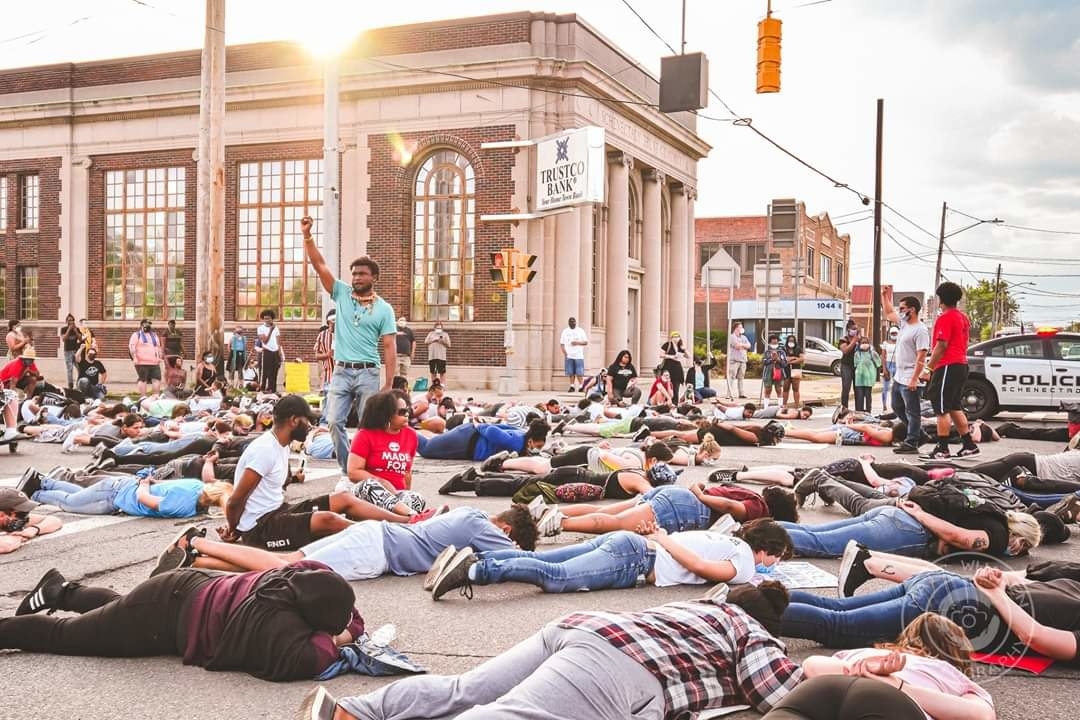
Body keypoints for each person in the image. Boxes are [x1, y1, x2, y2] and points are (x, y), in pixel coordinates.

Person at [310, 582, 803, 719]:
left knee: (465, 689)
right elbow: (775, 692)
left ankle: (353, 713)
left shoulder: (698, 606)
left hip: (582, 630)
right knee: (516, 713)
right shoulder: (747, 627)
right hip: (620, 667)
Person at [4, 561, 364, 681]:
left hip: (183, 590)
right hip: (162, 617)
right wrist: (343, 636)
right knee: (65, 636)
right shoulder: (277, 627)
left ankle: (60, 591)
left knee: (118, 611)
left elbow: (348, 611)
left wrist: (346, 624)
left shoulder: (300, 575)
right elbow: (316, 655)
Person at [787, 548, 1080, 665]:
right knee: (837, 624)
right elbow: (1034, 636)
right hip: (948, 604)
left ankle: (754, 600)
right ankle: (749, 609)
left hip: (943, 588)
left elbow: (1037, 633)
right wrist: (995, 587)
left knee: (835, 610)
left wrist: (993, 583)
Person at [220, 395, 423, 552]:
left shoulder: (281, 444)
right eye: (307, 420)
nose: (310, 426)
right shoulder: (264, 450)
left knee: (343, 498)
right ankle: (391, 535)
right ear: (293, 420)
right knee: (326, 519)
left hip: (278, 511)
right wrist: (234, 528)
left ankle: (407, 521)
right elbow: (235, 500)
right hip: (259, 528)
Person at [429, 518, 793, 599]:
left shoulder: (728, 538)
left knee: (552, 560)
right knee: (557, 577)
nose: (773, 565)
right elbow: (700, 568)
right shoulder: (744, 560)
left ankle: (478, 557)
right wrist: (663, 539)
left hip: (631, 544)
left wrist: (660, 538)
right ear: (768, 550)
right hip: (638, 559)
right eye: (776, 558)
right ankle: (478, 570)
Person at [160, 505, 538, 581]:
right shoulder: (484, 529)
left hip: (373, 537)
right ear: (506, 530)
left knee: (286, 564)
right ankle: (197, 543)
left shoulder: (469, 512)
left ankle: (198, 562)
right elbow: (519, 561)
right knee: (287, 569)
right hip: (376, 551)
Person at [302, 216, 397, 475]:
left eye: (362, 274)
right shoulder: (342, 294)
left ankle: (370, 468)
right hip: (342, 371)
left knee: (369, 426)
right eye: (354, 273)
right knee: (333, 421)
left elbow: (389, 347)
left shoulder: (384, 309)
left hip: (368, 372)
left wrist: (389, 383)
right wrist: (307, 236)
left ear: (373, 278)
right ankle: (348, 470)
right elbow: (319, 265)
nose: (356, 277)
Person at [794, 613, 995, 720]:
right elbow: (980, 715)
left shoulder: (867, 654)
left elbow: (812, 665)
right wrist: (897, 686)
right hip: (891, 703)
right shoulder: (949, 673)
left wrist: (858, 670)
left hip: (827, 695)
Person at [344, 390, 428, 520]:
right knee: (370, 485)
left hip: (396, 495)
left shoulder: (411, 435)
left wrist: (406, 492)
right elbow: (353, 472)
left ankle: (405, 517)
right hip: (368, 494)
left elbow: (406, 473)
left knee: (416, 498)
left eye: (408, 411)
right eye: (401, 412)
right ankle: (412, 516)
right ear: (386, 415)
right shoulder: (365, 435)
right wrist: (380, 482)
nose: (407, 415)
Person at [27, 473, 232, 518]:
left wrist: (147, 482)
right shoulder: (184, 505)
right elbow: (145, 499)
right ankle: (35, 491)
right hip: (118, 493)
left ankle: (46, 483)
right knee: (70, 504)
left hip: (119, 494)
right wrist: (143, 484)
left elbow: (165, 485)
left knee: (80, 495)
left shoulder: (196, 485)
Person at [926, 282, 977, 459]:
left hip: (947, 365)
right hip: (961, 365)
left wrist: (928, 368)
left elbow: (941, 345)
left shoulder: (945, 318)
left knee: (941, 408)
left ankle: (942, 448)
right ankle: (969, 444)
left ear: (941, 299)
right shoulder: (963, 317)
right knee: (954, 406)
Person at [881, 288, 930, 454]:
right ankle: (919, 434)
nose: (899, 311)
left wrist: (915, 378)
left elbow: (921, 356)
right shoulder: (904, 325)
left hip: (911, 376)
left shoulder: (920, 330)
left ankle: (912, 442)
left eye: (902, 308)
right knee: (896, 406)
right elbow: (888, 312)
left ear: (912, 309)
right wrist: (884, 296)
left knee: (912, 411)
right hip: (899, 376)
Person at [418, 419, 550, 461]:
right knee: (426, 449)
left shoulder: (522, 434)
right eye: (537, 447)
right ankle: (403, 431)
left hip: (467, 437)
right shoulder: (515, 443)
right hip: (466, 441)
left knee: (432, 443)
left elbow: (504, 426)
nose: (536, 450)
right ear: (531, 441)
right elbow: (492, 430)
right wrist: (480, 426)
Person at [0, 488, 62, 555]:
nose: (24, 517)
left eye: (26, 512)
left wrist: (34, 529)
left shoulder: (10, 517)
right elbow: (6, 546)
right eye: (21, 514)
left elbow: (55, 520)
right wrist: (19, 537)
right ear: (1, 515)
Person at [129, 319, 162, 396]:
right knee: (143, 379)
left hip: (154, 362)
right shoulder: (136, 335)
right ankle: (143, 397)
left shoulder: (154, 335)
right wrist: (135, 357)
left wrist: (159, 356)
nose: (148, 325)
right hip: (141, 362)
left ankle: (156, 396)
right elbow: (132, 347)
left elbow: (158, 347)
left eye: (149, 324)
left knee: (157, 379)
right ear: (141, 325)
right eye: (146, 324)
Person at [256, 309, 285, 394]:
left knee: (274, 371)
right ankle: (263, 388)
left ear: (272, 319)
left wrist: (280, 353)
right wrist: (270, 330)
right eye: (265, 318)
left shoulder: (276, 328)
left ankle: (273, 389)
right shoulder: (260, 328)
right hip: (267, 352)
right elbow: (265, 341)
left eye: (268, 318)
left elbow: (278, 342)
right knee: (265, 371)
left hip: (275, 352)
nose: (267, 320)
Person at [852, 335, 881, 413]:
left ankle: (868, 411)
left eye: (866, 342)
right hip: (859, 379)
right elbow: (855, 365)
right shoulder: (857, 354)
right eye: (863, 342)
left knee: (868, 397)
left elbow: (878, 363)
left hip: (869, 379)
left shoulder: (873, 354)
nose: (864, 344)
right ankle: (859, 412)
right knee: (860, 397)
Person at [560, 316, 589, 392]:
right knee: (570, 372)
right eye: (570, 322)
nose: (572, 323)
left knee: (579, 372)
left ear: (575, 322)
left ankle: (581, 386)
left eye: (573, 322)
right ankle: (572, 386)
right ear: (568, 323)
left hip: (578, 355)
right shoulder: (565, 331)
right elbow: (562, 343)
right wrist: (565, 353)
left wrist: (577, 343)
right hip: (569, 355)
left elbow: (586, 342)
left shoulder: (580, 331)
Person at [761, 334, 789, 408]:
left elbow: (785, 364)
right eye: (773, 343)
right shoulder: (767, 351)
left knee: (779, 389)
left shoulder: (781, 351)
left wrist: (778, 359)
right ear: (770, 343)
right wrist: (771, 359)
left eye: (776, 343)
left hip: (779, 372)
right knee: (768, 389)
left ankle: (780, 406)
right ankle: (766, 407)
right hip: (768, 373)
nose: (775, 344)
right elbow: (763, 362)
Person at [659, 331, 689, 401]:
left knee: (676, 387)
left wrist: (684, 349)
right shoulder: (667, 345)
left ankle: (675, 403)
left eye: (678, 336)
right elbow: (660, 355)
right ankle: (667, 401)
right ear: (671, 338)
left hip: (677, 368)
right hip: (668, 367)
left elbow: (688, 356)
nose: (676, 338)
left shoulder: (680, 346)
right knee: (667, 385)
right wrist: (671, 357)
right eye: (674, 336)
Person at [839, 319, 859, 409]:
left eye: (856, 329)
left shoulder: (859, 339)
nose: (855, 330)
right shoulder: (843, 339)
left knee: (858, 389)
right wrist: (854, 341)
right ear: (848, 329)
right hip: (846, 365)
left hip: (857, 366)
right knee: (846, 387)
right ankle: (844, 408)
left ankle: (859, 409)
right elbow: (845, 350)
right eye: (853, 329)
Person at [313, 312, 336, 394]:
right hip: (329, 376)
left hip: (345, 379)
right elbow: (317, 355)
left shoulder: (346, 334)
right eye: (333, 321)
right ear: (328, 322)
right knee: (327, 404)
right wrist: (327, 355)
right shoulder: (322, 335)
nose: (335, 324)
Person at [728, 321, 751, 398]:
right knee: (732, 377)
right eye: (740, 327)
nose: (741, 329)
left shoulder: (743, 337)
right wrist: (742, 345)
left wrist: (742, 345)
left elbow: (749, 346)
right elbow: (737, 346)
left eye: (742, 327)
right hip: (734, 361)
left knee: (741, 378)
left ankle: (741, 393)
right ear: (736, 328)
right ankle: (729, 394)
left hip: (743, 360)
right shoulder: (732, 336)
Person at [782, 334, 805, 407]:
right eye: (789, 340)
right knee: (785, 388)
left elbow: (802, 359)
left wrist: (792, 361)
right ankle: (784, 404)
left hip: (796, 370)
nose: (791, 342)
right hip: (786, 370)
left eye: (792, 340)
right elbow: (783, 359)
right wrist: (794, 358)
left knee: (796, 388)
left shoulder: (798, 349)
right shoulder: (784, 349)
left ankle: (797, 405)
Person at [59, 314, 80, 388]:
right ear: (66, 321)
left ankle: (78, 385)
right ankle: (70, 386)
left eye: (71, 320)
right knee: (70, 369)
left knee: (80, 368)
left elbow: (80, 339)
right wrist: (69, 329)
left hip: (76, 351)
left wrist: (75, 331)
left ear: (73, 321)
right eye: (68, 320)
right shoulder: (63, 329)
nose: (70, 321)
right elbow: (63, 339)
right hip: (67, 351)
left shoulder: (76, 329)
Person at [880, 325, 898, 412]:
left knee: (897, 388)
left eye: (895, 333)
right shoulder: (885, 343)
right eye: (892, 333)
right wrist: (884, 368)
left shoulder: (900, 342)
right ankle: (884, 405)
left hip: (898, 365)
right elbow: (883, 356)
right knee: (885, 387)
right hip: (888, 365)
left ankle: (895, 406)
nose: (894, 335)